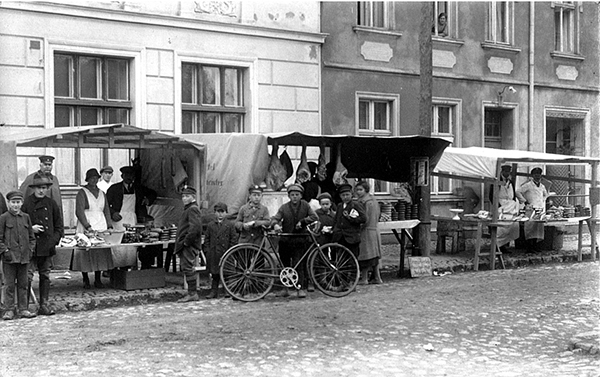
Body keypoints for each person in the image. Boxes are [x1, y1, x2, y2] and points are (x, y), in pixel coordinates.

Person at [22, 174, 63, 315]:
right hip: (31, 246)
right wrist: (30, 229)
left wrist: (53, 241)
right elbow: (19, 224)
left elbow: (59, 227)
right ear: (34, 189)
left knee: (45, 275)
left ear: (47, 189)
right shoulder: (26, 203)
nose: (41, 191)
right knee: (27, 276)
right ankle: (24, 307)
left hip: (47, 245)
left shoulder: (51, 204)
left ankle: (43, 305)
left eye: (44, 188)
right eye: (39, 188)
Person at [271, 184, 318, 298]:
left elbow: (314, 217)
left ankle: (300, 288)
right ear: (289, 196)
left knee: (299, 264)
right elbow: (275, 219)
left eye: (297, 195)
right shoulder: (284, 207)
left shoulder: (305, 206)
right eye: (292, 195)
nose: (295, 197)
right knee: (285, 265)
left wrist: (303, 222)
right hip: (285, 240)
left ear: (301, 195)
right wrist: (276, 225)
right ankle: (285, 288)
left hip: (300, 240)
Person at [106, 166, 159, 269]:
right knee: (119, 245)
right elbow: (106, 205)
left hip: (133, 219)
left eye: (131, 175)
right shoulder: (114, 188)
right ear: (122, 176)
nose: (129, 177)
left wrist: (148, 200)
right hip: (118, 220)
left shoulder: (138, 188)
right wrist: (113, 213)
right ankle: (116, 268)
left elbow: (153, 193)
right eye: (126, 175)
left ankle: (131, 267)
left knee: (132, 245)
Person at [0, 191, 37, 320]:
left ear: (21, 203)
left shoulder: (26, 217)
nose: (16, 205)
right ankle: (9, 310)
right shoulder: (3, 218)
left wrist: (30, 250)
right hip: (9, 258)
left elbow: (32, 237)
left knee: (23, 284)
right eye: (13, 202)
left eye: (18, 202)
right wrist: (5, 251)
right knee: (9, 285)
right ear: (9, 203)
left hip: (24, 257)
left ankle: (23, 309)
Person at [75, 168, 113, 289]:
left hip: (100, 224)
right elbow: (79, 211)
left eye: (96, 178)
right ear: (87, 179)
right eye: (91, 178)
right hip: (87, 224)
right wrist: (87, 225)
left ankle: (98, 279)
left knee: (99, 253)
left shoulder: (102, 193)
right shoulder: (82, 192)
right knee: (85, 252)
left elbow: (106, 210)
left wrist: (110, 225)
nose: (94, 180)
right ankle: (86, 279)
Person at [204, 202, 238, 299]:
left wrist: (230, 251)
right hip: (214, 253)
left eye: (222, 212)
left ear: (226, 213)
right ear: (215, 213)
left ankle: (226, 290)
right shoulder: (210, 225)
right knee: (215, 274)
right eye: (218, 212)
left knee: (226, 273)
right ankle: (213, 291)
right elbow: (207, 239)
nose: (220, 214)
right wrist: (207, 251)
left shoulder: (230, 225)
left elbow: (233, 239)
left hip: (226, 252)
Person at [175, 186, 203, 302]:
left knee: (188, 267)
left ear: (193, 197)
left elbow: (195, 228)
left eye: (187, 196)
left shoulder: (192, 209)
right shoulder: (188, 208)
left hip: (189, 244)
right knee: (186, 267)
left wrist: (186, 242)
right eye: (183, 196)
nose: (184, 198)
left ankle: (192, 293)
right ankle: (191, 292)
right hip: (186, 243)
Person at [354, 181, 383, 285]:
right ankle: (377, 277)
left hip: (366, 230)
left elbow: (365, 218)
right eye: (357, 190)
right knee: (374, 255)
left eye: (360, 190)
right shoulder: (374, 200)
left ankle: (364, 278)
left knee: (365, 255)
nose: (358, 192)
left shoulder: (365, 202)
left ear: (366, 190)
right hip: (374, 230)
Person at [516, 167, 549, 252]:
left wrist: (542, 201)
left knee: (538, 228)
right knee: (530, 228)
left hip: (539, 209)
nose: (537, 176)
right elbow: (518, 192)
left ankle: (536, 246)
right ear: (532, 175)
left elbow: (546, 194)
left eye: (539, 174)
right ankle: (529, 247)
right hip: (530, 208)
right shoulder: (528, 185)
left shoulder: (542, 186)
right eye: (535, 174)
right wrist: (524, 201)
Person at [489, 165, 520, 253]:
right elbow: (491, 196)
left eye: (508, 172)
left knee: (511, 227)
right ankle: (497, 247)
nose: (507, 173)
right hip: (500, 207)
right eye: (505, 172)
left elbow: (513, 195)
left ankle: (505, 246)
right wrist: (498, 206)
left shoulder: (510, 182)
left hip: (510, 207)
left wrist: (514, 204)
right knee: (500, 228)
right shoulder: (496, 181)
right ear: (502, 171)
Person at [332, 183, 367, 259]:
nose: (345, 197)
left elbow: (364, 218)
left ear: (351, 194)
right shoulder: (339, 206)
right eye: (343, 195)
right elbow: (336, 220)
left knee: (352, 257)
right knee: (341, 257)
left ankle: (353, 270)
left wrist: (351, 219)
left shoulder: (356, 205)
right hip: (340, 237)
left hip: (352, 237)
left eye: (347, 195)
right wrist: (334, 230)